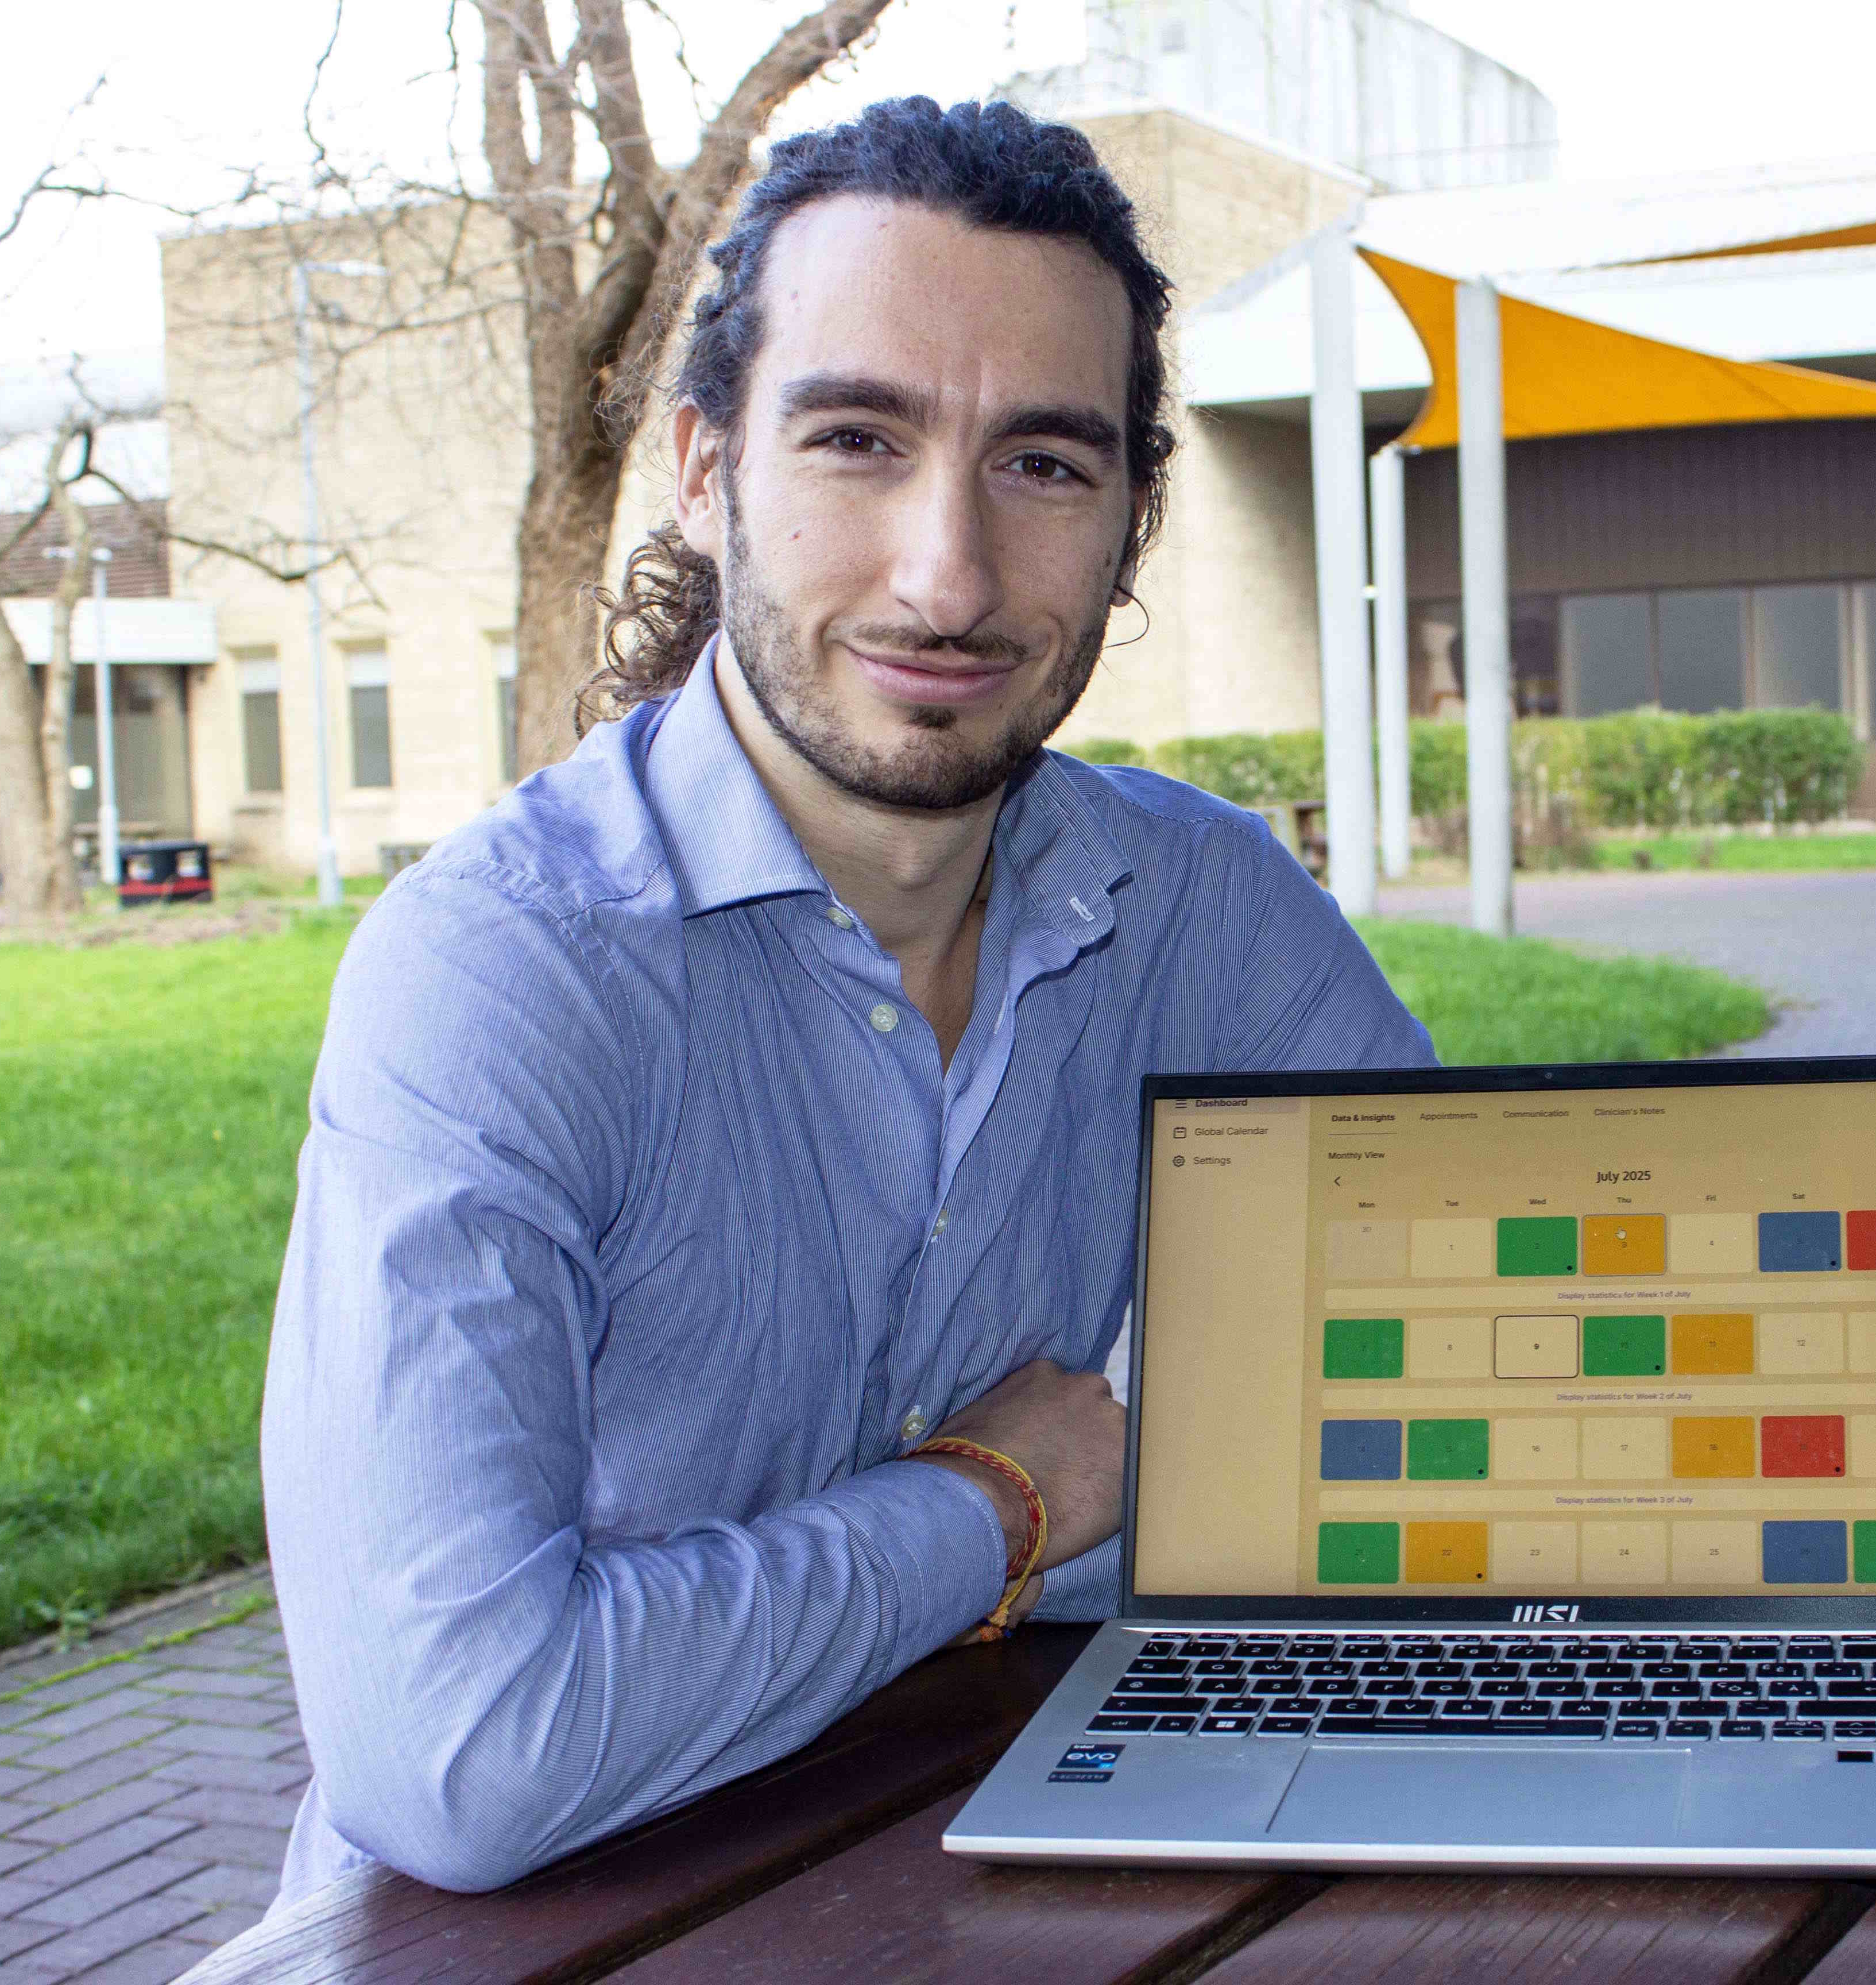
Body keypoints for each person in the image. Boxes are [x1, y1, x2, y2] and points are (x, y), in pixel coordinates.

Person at [260, 96, 1432, 1909]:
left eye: (1044, 464)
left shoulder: (1208, 909)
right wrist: (1002, 1503)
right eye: (859, 439)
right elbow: (459, 1754)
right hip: (544, 1932)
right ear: (706, 469)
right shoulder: (504, 969)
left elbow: (1462, 1385)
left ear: (1133, 521)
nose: (947, 575)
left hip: (974, 1868)